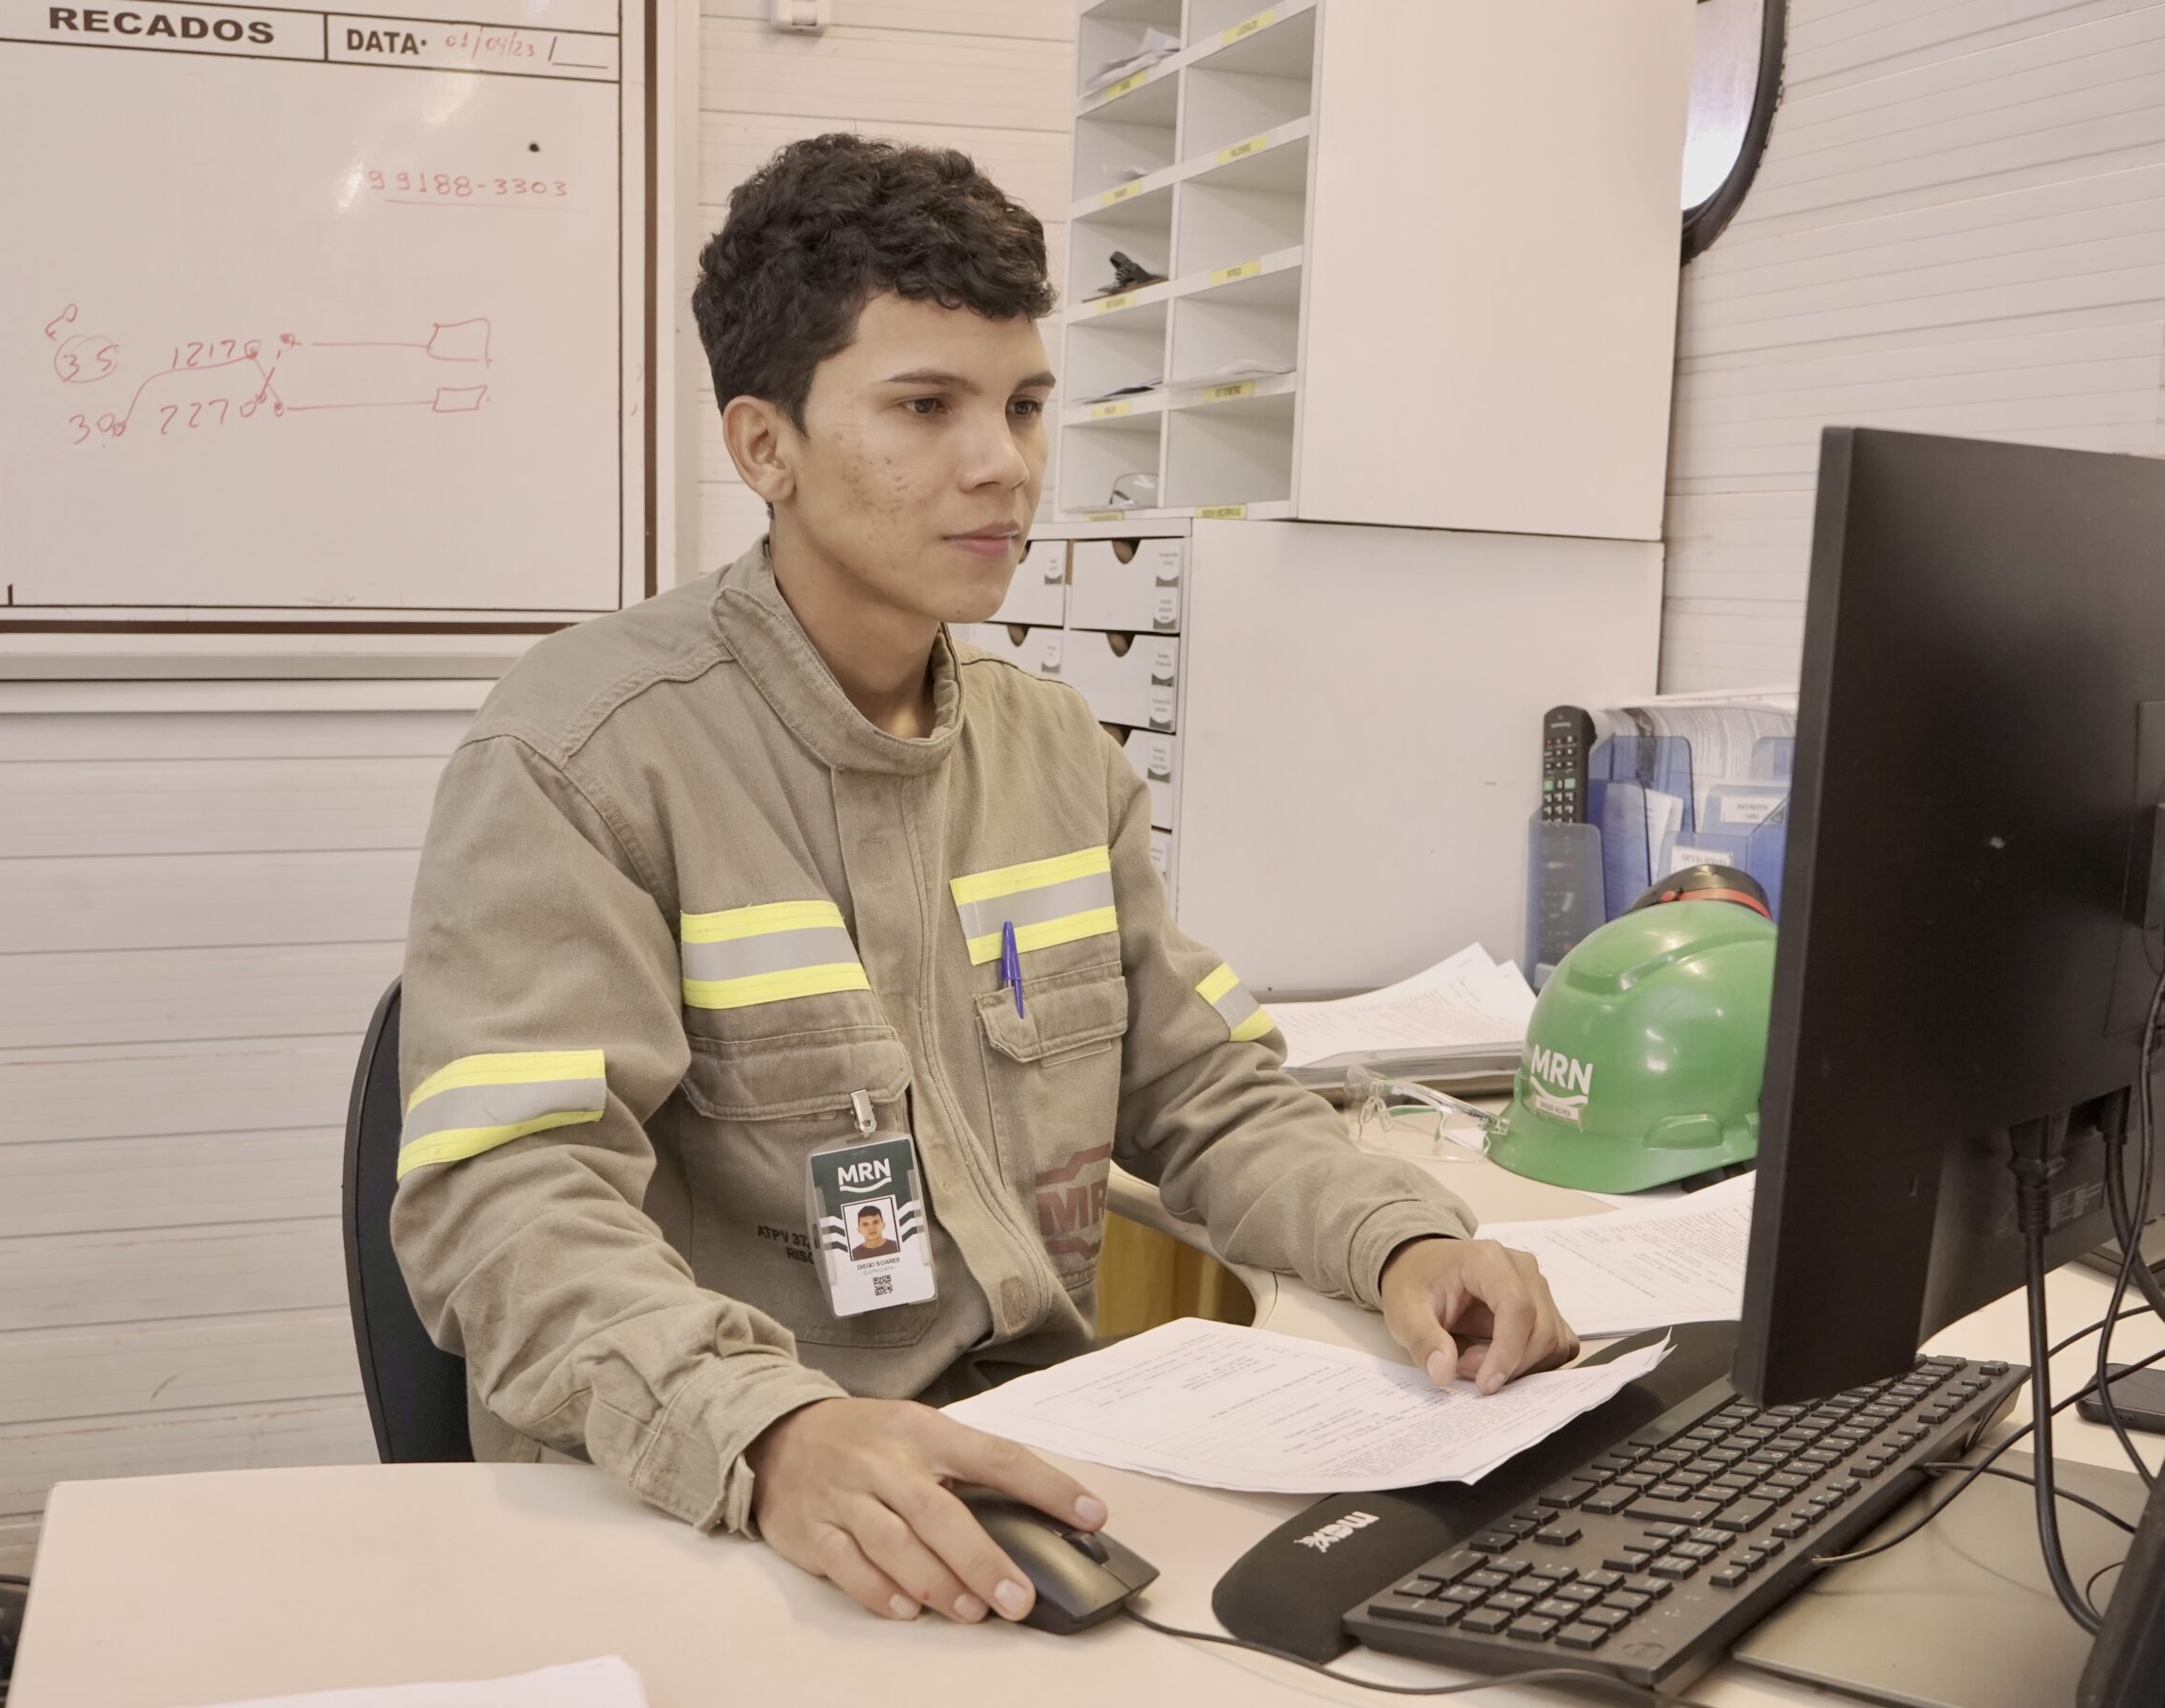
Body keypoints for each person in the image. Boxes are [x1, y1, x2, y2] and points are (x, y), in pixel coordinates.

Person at [393, 132, 1577, 1633]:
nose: (1002, 464)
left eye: (1022, 405)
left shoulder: (1054, 752)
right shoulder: (579, 759)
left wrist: (1400, 1235)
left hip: (1035, 1464)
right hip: (728, 1500)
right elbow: (506, 1198)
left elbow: (1206, 1089)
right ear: (765, 448)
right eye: (925, 407)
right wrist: (768, 1431)